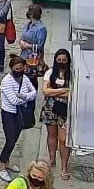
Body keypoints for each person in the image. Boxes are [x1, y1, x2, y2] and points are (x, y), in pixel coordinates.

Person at [0, 55, 38, 182]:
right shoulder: (7, 81)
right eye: (16, 68)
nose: (19, 71)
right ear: (11, 68)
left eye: (21, 68)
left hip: (20, 114)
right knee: (10, 139)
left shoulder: (24, 79)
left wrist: (23, 96)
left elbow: (34, 93)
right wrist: (26, 97)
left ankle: (7, 162)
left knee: (14, 139)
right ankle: (2, 166)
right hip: (9, 113)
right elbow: (13, 100)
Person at [40, 49, 71, 180]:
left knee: (63, 139)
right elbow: (45, 91)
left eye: (64, 60)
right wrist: (63, 90)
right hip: (50, 107)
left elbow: (72, 93)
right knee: (51, 134)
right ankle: (52, 159)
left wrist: (54, 91)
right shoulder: (50, 72)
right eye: (59, 60)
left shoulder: (72, 74)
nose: (61, 62)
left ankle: (64, 166)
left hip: (65, 109)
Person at [20, 4, 48, 89]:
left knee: (31, 78)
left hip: (33, 57)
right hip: (24, 55)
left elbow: (40, 46)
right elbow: (23, 36)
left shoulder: (41, 29)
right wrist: (21, 42)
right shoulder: (27, 24)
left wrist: (28, 46)